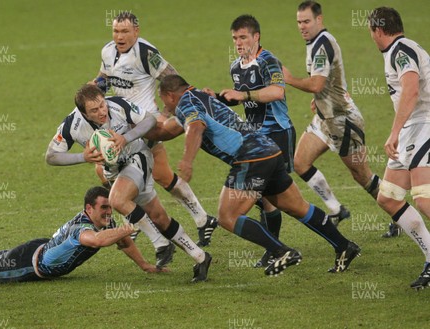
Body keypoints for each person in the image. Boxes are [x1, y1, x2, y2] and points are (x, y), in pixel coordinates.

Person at [151, 74, 362, 275]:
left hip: (250, 158)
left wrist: (187, 160)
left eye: (164, 101)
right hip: (268, 151)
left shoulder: (186, 104)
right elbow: (166, 131)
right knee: (298, 208)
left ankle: (282, 252)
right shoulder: (200, 96)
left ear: (170, 95)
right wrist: (132, 133)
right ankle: (344, 246)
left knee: (227, 216)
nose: (165, 107)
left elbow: (196, 127)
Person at [45, 84, 212, 282]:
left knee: (117, 200)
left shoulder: (116, 105)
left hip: (138, 156)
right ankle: (200, 257)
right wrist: (83, 157)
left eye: (101, 105)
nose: (102, 112)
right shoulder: (72, 124)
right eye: (94, 110)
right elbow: (51, 156)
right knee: (158, 217)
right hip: (116, 172)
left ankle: (161, 244)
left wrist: (126, 138)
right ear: (83, 112)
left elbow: (149, 120)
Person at [92, 11, 218, 247]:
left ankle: (137, 221)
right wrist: (93, 88)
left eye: (125, 31)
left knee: (107, 169)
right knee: (160, 175)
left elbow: (173, 79)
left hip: (144, 125)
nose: (120, 36)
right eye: (116, 31)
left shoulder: (145, 53)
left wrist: (166, 113)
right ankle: (202, 219)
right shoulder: (107, 51)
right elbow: (104, 78)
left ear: (136, 32)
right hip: (121, 125)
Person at [281, 1, 394, 237]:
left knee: (362, 176)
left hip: (342, 122)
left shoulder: (322, 44)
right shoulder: (314, 42)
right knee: (300, 162)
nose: (302, 26)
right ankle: (336, 209)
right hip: (325, 118)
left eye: (306, 21)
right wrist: (318, 98)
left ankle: (398, 212)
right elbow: (326, 83)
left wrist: (289, 79)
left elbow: (318, 82)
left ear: (319, 20)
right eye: (299, 22)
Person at [0, 187, 163, 283]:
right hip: (31, 264)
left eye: (110, 207)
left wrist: (145, 265)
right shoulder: (83, 230)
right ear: (88, 208)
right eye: (104, 208)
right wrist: (128, 227)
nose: (108, 212)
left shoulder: (102, 221)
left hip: (40, 247)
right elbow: (98, 241)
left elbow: (120, 239)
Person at [202, 14, 297, 267]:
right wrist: (217, 98)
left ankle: (277, 248)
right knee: (265, 197)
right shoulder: (235, 67)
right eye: (235, 38)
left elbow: (277, 92)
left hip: (278, 133)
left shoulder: (269, 61)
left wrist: (242, 95)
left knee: (275, 198)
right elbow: (241, 98)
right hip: (255, 138)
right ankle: (276, 249)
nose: (238, 42)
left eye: (243, 37)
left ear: (256, 37)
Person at [368, 7, 430, 289]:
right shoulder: (397, 49)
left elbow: (412, 88)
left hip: (425, 124)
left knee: (424, 200)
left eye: (371, 31)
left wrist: (393, 133)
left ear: (378, 31)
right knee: (389, 197)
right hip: (410, 130)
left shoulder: (400, 51)